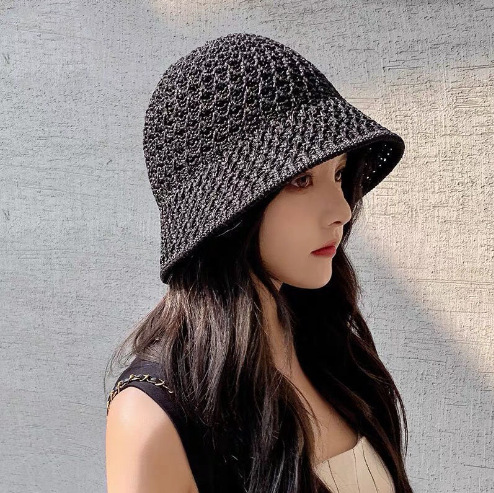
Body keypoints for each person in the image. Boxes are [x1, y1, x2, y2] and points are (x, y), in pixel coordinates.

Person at [105, 32, 413, 493]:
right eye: (301, 180)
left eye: (339, 174)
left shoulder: (328, 351)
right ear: (225, 208)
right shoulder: (153, 417)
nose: (342, 210)